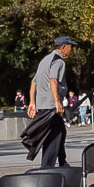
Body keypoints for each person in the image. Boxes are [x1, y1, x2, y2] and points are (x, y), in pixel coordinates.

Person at [25, 37, 72, 169]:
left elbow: (34, 82)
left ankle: (63, 162)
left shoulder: (45, 60)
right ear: (63, 47)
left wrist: (32, 102)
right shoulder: (58, 61)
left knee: (60, 132)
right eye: (70, 47)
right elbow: (53, 80)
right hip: (51, 106)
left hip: (42, 105)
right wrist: (57, 101)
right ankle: (47, 168)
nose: (71, 50)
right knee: (54, 137)